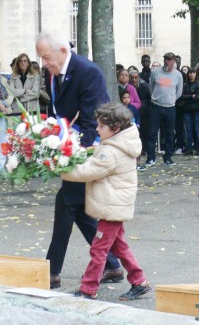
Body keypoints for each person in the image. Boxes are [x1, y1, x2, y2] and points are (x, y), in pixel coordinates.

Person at [36, 30, 122, 289]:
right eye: (41, 58)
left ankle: (51, 272)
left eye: (46, 57)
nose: (44, 64)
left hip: (90, 151)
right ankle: (113, 264)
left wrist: (69, 152)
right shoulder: (53, 73)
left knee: (66, 202)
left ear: (63, 52)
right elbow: (57, 113)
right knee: (81, 211)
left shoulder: (88, 72)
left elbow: (92, 121)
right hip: (72, 150)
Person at [61, 103, 151, 301]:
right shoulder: (120, 143)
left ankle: (88, 289)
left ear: (115, 128)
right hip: (116, 204)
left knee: (99, 248)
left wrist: (60, 169)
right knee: (119, 247)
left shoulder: (110, 152)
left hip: (112, 206)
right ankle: (139, 280)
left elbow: (88, 171)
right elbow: (94, 160)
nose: (97, 129)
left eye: (101, 126)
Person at [145, 52, 183, 166]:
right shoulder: (156, 72)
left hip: (170, 108)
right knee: (152, 132)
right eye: (165, 59)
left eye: (169, 59)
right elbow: (151, 86)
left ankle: (168, 157)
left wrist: (171, 100)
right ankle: (150, 157)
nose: (167, 61)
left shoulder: (178, 75)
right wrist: (156, 98)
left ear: (174, 61)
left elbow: (179, 91)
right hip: (155, 107)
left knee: (169, 133)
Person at [177, 68, 199, 156]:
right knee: (188, 130)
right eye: (190, 73)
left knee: (197, 129)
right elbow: (181, 96)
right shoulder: (184, 85)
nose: (191, 75)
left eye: (193, 73)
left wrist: (188, 98)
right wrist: (192, 96)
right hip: (187, 110)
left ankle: (198, 148)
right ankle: (189, 148)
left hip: (197, 110)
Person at [119, 90, 145, 171]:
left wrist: (137, 125)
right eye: (124, 98)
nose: (126, 100)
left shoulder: (133, 108)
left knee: (136, 147)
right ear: (121, 99)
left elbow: (137, 117)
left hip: (133, 130)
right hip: (124, 131)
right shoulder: (119, 109)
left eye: (128, 98)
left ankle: (137, 164)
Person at [129, 69, 151, 155]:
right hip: (131, 113)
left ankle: (144, 149)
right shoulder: (128, 87)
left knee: (144, 131)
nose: (134, 80)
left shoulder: (145, 86)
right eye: (132, 78)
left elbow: (149, 99)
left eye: (136, 77)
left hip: (144, 112)